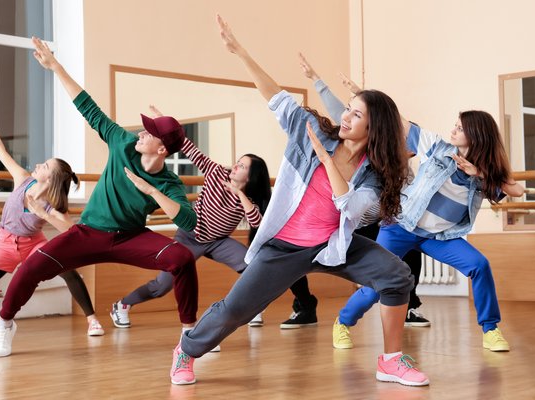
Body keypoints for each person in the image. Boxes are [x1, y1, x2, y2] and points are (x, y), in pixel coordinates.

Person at [168, 15, 430, 387]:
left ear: (374, 129)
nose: (346, 116)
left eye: (357, 114)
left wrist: (328, 163)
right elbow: (275, 95)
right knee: (237, 309)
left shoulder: (375, 172)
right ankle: (187, 349)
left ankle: (390, 361)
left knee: (396, 276)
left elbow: (353, 209)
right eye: (348, 109)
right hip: (285, 246)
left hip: (333, 244)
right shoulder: (311, 132)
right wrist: (240, 51)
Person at [0, 37, 199, 358]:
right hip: (87, 234)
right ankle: (4, 324)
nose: (140, 132)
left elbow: (187, 219)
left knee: (181, 258)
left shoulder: (167, 182)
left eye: (148, 132)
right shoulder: (122, 143)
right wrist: (55, 66)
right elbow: (89, 108)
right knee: (31, 268)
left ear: (162, 149)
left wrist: (151, 190)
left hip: (130, 238)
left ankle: (192, 335)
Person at [334, 106, 524, 352]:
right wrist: (372, 101)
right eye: (455, 124)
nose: (453, 129)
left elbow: (517, 190)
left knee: (479, 265)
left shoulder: (488, 171)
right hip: (401, 227)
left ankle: (491, 330)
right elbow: (400, 122)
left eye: (460, 127)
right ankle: (343, 322)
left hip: (438, 237)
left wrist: (478, 172)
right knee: (377, 283)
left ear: (477, 135)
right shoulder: (438, 146)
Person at [280, 55, 431, 336]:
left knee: (403, 265)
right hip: (359, 219)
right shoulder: (374, 156)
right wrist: (318, 80)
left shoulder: (404, 166)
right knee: (381, 274)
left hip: (383, 218)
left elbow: (374, 117)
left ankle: (409, 304)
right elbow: (351, 116)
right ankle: (341, 317)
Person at [111, 104, 272, 339]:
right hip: (190, 236)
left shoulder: (248, 200)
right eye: (238, 161)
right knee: (162, 285)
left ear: (251, 176)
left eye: (242, 166)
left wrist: (239, 194)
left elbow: (256, 222)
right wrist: (164, 124)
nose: (235, 165)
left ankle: (252, 307)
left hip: (218, 242)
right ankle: (123, 304)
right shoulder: (217, 172)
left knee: (251, 265)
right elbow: (191, 149)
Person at [0, 105, 104, 337]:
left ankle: (92, 321)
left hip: (33, 244)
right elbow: (1, 153)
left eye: (45, 166)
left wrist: (44, 214)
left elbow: (71, 230)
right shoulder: (23, 179)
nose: (39, 164)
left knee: (69, 270)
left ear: (50, 179)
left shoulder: (53, 204)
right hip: (5, 244)